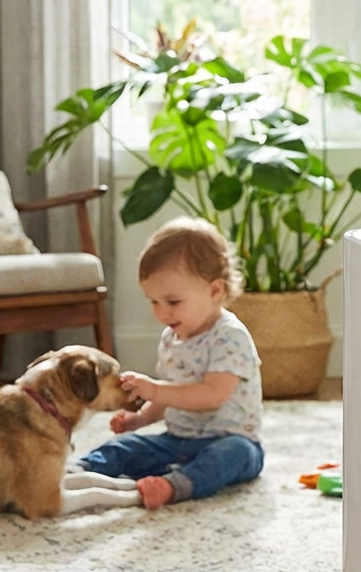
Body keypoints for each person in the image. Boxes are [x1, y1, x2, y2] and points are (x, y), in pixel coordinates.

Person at [76, 217, 263, 510]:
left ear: (215, 291)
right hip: (177, 440)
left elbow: (212, 396)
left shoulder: (231, 337)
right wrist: (140, 419)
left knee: (232, 455)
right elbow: (169, 397)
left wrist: (155, 390)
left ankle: (174, 486)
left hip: (230, 440)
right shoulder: (171, 338)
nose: (162, 313)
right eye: (153, 302)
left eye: (173, 302)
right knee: (125, 448)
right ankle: (78, 472)